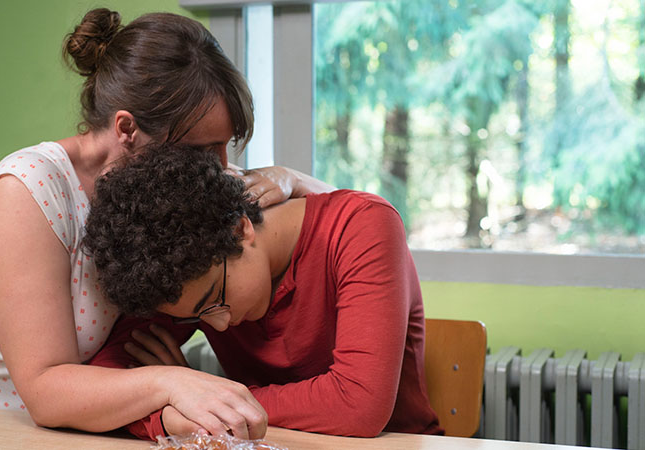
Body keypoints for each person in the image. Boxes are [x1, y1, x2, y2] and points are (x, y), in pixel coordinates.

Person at [0, 8, 333, 440]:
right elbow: (43, 390)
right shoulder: (27, 192)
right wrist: (174, 382)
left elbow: (355, 219)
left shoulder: (185, 179)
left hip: (100, 428)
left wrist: (291, 178)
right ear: (127, 128)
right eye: (204, 149)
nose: (223, 167)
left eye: (225, 146)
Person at [83, 145, 444, 440]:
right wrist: (171, 412)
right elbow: (103, 383)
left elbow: (359, 405)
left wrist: (212, 403)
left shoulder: (363, 225)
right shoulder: (182, 269)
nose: (219, 326)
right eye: (198, 317)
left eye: (213, 301)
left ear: (241, 229)